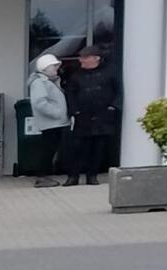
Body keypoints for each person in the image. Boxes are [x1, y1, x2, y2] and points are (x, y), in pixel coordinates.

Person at [65, 45, 119, 186]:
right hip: (82, 116)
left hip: (103, 116)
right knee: (77, 148)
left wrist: (112, 107)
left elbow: (118, 91)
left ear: (96, 59)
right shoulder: (76, 75)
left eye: (84, 57)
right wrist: (74, 111)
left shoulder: (110, 72)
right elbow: (70, 94)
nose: (80, 60)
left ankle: (92, 176)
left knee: (98, 148)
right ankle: (73, 176)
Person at [27, 54, 69, 188]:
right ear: (44, 68)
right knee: (47, 150)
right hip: (51, 123)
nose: (56, 69)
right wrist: (57, 113)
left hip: (55, 122)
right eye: (53, 66)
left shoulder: (49, 81)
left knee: (50, 149)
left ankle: (43, 176)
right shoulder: (39, 82)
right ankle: (42, 177)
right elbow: (40, 103)